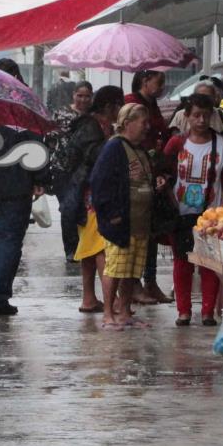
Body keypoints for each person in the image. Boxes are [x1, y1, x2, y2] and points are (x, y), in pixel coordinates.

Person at [163, 94, 223, 327]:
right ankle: (183, 311)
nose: (201, 120)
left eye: (206, 115)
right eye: (196, 115)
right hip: (179, 212)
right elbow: (163, 173)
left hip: (212, 215)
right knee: (182, 262)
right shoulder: (176, 144)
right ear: (187, 117)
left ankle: (207, 312)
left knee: (209, 263)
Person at [90, 103, 159, 330]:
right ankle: (109, 313)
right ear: (128, 123)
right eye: (143, 122)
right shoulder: (114, 148)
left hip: (139, 223)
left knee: (131, 271)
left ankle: (125, 311)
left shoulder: (138, 149)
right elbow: (100, 184)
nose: (147, 127)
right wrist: (112, 215)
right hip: (121, 223)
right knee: (116, 269)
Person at [0, 125, 49, 316]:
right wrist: (39, 179)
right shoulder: (23, 121)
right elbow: (36, 149)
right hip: (17, 187)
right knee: (8, 243)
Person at [65, 85, 125, 314]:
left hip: (88, 194)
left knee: (89, 249)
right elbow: (96, 157)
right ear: (110, 107)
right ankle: (113, 300)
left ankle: (89, 298)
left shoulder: (95, 125)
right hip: (92, 197)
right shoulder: (92, 127)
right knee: (101, 247)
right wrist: (113, 140)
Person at [123, 70, 173, 305]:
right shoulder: (132, 103)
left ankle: (150, 280)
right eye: (159, 81)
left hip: (153, 169)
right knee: (137, 232)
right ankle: (134, 283)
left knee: (151, 232)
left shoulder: (152, 104)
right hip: (137, 171)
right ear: (145, 81)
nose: (162, 86)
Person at [46, 81, 94, 260]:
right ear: (73, 95)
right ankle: (71, 249)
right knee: (68, 207)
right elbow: (50, 139)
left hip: (86, 169)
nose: (83, 99)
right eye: (79, 95)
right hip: (62, 169)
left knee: (83, 208)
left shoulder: (93, 117)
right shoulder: (61, 114)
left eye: (86, 96)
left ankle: (84, 245)